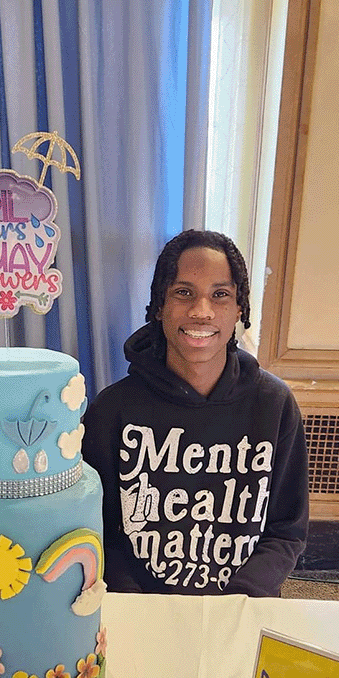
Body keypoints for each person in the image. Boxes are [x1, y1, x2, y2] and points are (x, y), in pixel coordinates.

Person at [82, 229, 309, 597]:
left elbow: (286, 530)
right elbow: (99, 529)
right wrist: (135, 600)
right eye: (183, 292)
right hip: (141, 605)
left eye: (220, 295)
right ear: (160, 305)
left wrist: (240, 599)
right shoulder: (111, 410)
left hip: (241, 606)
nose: (201, 311)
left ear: (239, 308)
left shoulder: (274, 404)